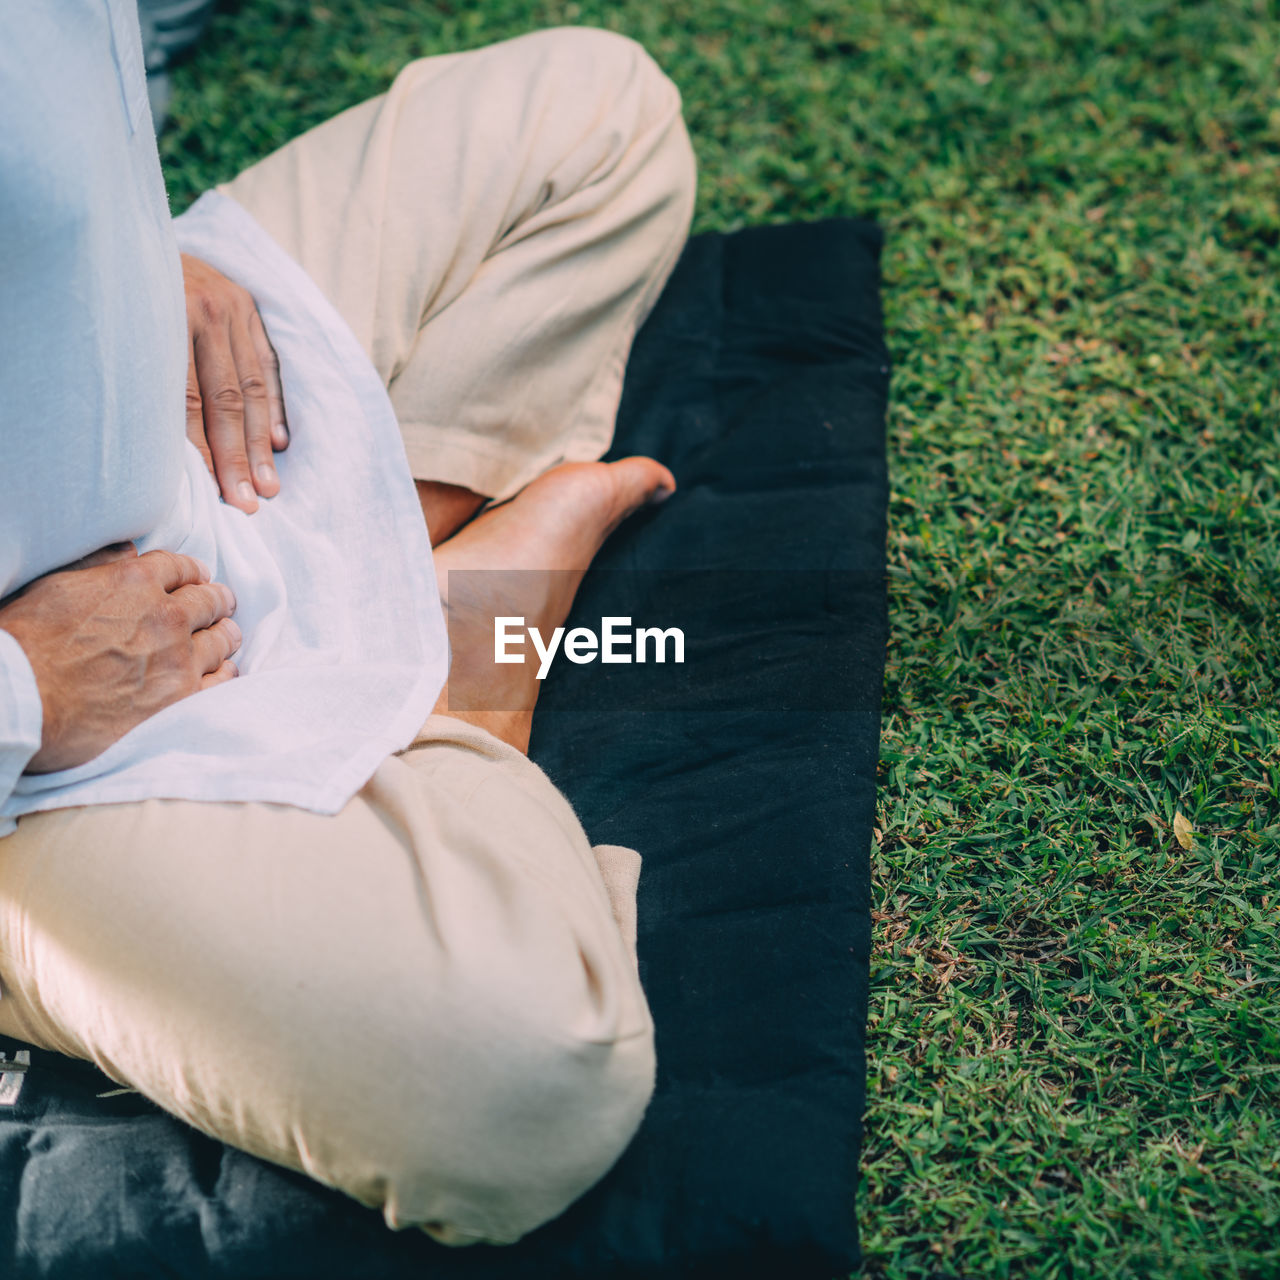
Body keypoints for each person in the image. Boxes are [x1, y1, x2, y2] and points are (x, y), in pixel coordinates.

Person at [0, 1, 695, 1247]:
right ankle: (455, 692)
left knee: (599, 114)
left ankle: (409, 570)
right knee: (525, 1080)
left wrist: (136, 264)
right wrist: (30, 685)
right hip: (44, 758)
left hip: (193, 441)